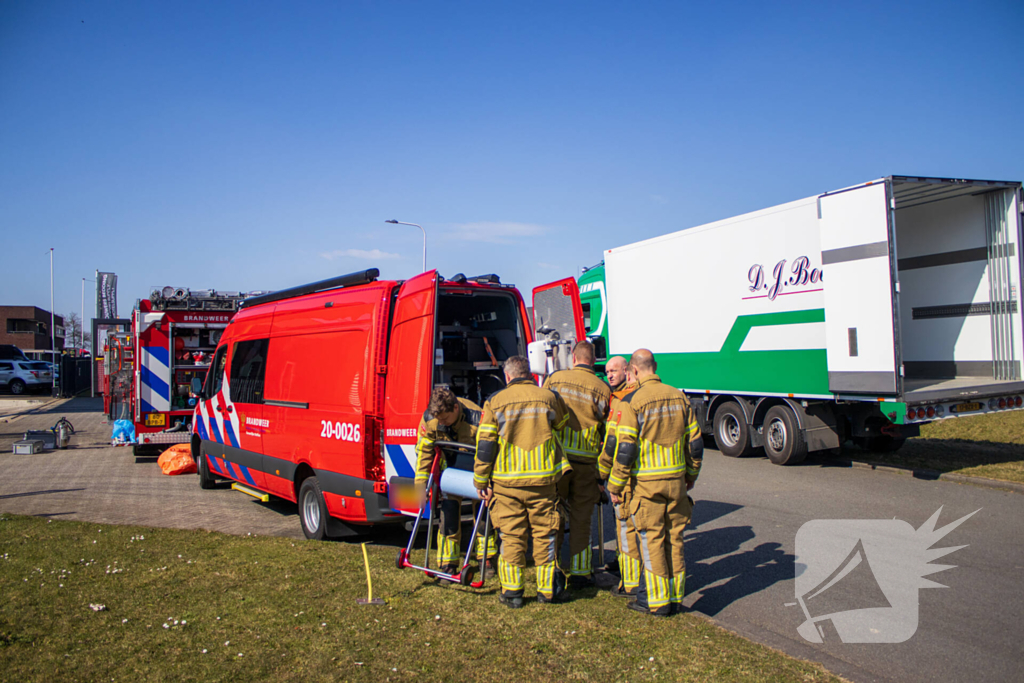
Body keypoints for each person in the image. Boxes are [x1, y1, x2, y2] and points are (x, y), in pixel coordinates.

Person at [607, 349, 703, 617]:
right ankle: (674, 598)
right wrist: (691, 476)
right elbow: (695, 445)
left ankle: (657, 603)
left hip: (647, 487)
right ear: (655, 366)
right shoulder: (680, 397)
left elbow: (625, 450)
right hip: (677, 483)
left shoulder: (632, 402)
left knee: (652, 541)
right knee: (675, 539)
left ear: (633, 371)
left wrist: (615, 487)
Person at [474, 355, 571, 608]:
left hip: (507, 485)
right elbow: (562, 423)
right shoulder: (548, 397)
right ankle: (547, 591)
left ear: (507, 376)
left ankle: (513, 593)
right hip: (543, 481)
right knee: (545, 535)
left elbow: (485, 445)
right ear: (529, 373)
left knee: (511, 537)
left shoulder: (494, 402)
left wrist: (480, 480)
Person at [543, 340, 611, 587]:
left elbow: (545, 412)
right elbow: (606, 425)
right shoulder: (603, 389)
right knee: (582, 518)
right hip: (586, 463)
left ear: (573, 357)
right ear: (593, 360)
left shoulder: (554, 379)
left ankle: (553, 570)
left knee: (555, 515)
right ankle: (581, 573)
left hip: (558, 462)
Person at [415, 386, 497, 574]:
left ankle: (487, 558)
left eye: (444, 418)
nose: (441, 422)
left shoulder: (478, 418)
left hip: (476, 471)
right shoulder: (430, 419)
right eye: (438, 419)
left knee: (483, 513)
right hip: (451, 471)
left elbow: (489, 452)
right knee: (448, 513)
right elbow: (424, 454)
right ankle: (448, 563)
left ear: (455, 409)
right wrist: (421, 487)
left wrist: (486, 483)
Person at [599, 358, 642, 597]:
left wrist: (603, 474)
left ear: (627, 371)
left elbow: (615, 442)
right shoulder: (615, 396)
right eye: (606, 372)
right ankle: (624, 566)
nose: (609, 376)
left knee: (627, 526)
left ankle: (631, 582)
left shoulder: (629, 400)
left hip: (623, 472)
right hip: (627, 471)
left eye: (613, 371)